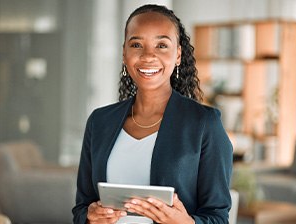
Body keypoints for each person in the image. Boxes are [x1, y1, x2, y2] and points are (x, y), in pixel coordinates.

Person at [72, 4, 233, 224]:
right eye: (136, 44)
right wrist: (90, 218)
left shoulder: (204, 123)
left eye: (161, 45)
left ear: (178, 55)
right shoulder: (99, 122)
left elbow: (219, 217)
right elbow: (81, 207)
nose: (148, 56)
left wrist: (186, 223)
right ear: (124, 53)